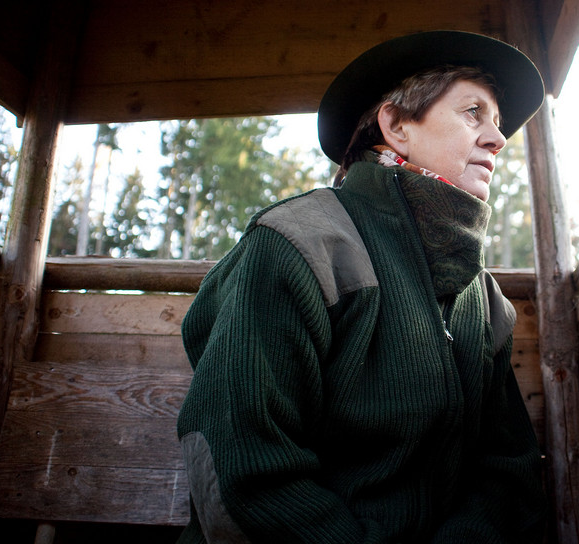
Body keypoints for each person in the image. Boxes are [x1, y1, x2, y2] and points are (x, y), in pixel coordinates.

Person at [176, 30, 547, 543]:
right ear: (396, 125)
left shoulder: (485, 303)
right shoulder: (298, 246)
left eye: (498, 122)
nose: (497, 139)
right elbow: (243, 469)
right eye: (472, 113)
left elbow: (506, 470)